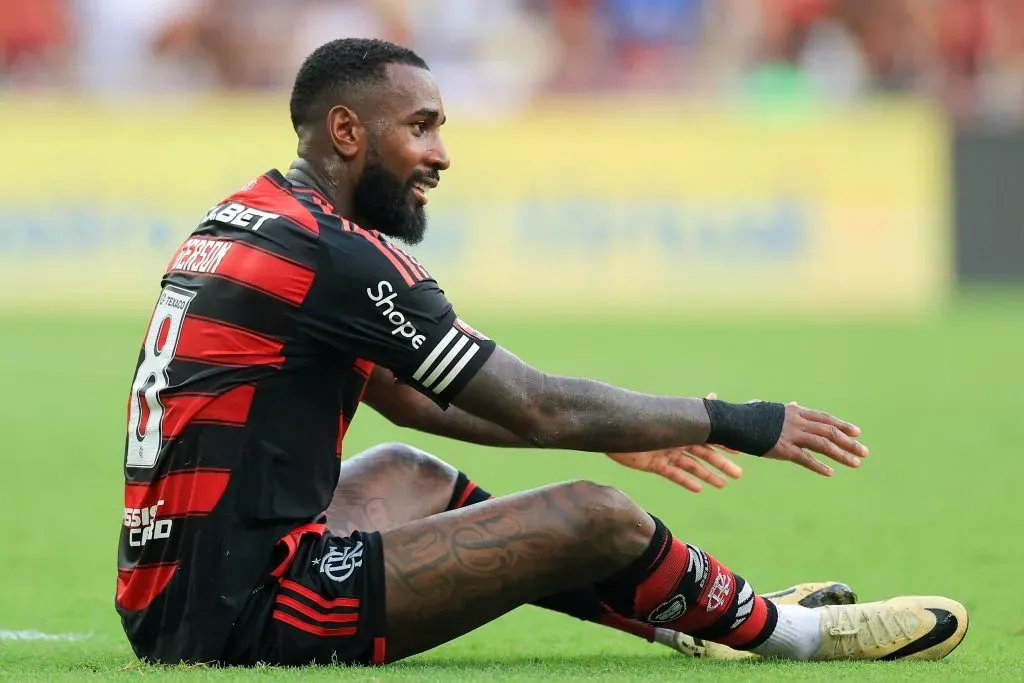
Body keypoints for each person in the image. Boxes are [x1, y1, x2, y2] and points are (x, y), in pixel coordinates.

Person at [116, 37, 968, 668]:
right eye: (421, 127)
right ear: (346, 130)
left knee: (408, 466)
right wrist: (736, 420)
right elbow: (534, 400)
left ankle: (686, 619)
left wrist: (598, 427)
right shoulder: (338, 256)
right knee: (595, 513)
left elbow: (413, 398)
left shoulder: (245, 218)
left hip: (166, 594)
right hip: (246, 613)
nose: (441, 154)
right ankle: (799, 635)